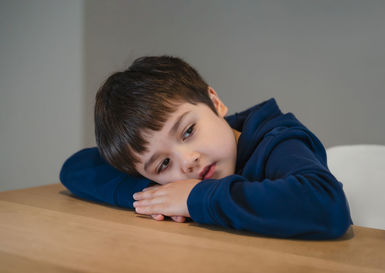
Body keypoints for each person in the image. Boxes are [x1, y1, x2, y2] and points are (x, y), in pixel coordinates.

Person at [60, 55, 353, 240]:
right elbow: (76, 168)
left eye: (188, 131)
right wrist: (158, 198)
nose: (187, 162)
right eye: (163, 164)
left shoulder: (277, 139)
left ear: (215, 102)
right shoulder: (180, 174)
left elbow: (326, 206)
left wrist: (194, 198)